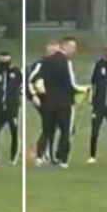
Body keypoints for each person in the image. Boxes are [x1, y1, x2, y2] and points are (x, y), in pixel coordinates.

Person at [34, 37, 83, 168]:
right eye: (72, 46)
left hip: (49, 102)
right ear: (64, 46)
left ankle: (39, 156)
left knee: (47, 130)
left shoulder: (46, 61)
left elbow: (39, 78)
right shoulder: (66, 61)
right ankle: (62, 158)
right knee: (65, 131)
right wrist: (81, 91)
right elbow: (70, 82)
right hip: (64, 102)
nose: (74, 50)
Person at [0, 52, 23, 165]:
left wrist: (16, 100)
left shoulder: (17, 72)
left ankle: (13, 158)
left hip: (12, 108)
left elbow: (22, 86)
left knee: (14, 132)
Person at [27, 42, 58, 163]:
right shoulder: (40, 64)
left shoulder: (59, 64)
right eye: (52, 51)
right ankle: (41, 155)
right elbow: (30, 80)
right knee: (48, 127)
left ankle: (47, 154)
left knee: (52, 127)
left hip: (55, 100)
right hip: (43, 100)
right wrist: (33, 96)